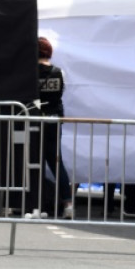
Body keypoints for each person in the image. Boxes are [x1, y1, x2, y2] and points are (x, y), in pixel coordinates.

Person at [37, 36, 75, 220]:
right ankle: (68, 203)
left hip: (34, 121)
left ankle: (34, 205)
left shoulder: (29, 73)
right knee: (55, 162)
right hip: (54, 120)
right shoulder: (60, 73)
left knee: (31, 162)